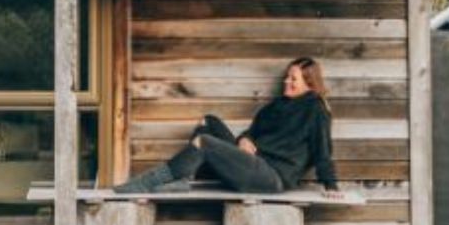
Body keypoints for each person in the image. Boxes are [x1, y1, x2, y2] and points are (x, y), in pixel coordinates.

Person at [116, 57, 337, 195]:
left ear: (309, 83)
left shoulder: (315, 109)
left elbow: (322, 150)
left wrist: (331, 185)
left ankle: (146, 182)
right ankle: (183, 179)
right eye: (287, 77)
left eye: (293, 79)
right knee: (209, 122)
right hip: (253, 162)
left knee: (204, 142)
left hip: (271, 176)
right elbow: (254, 132)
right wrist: (244, 139)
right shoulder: (278, 105)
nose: (286, 82)